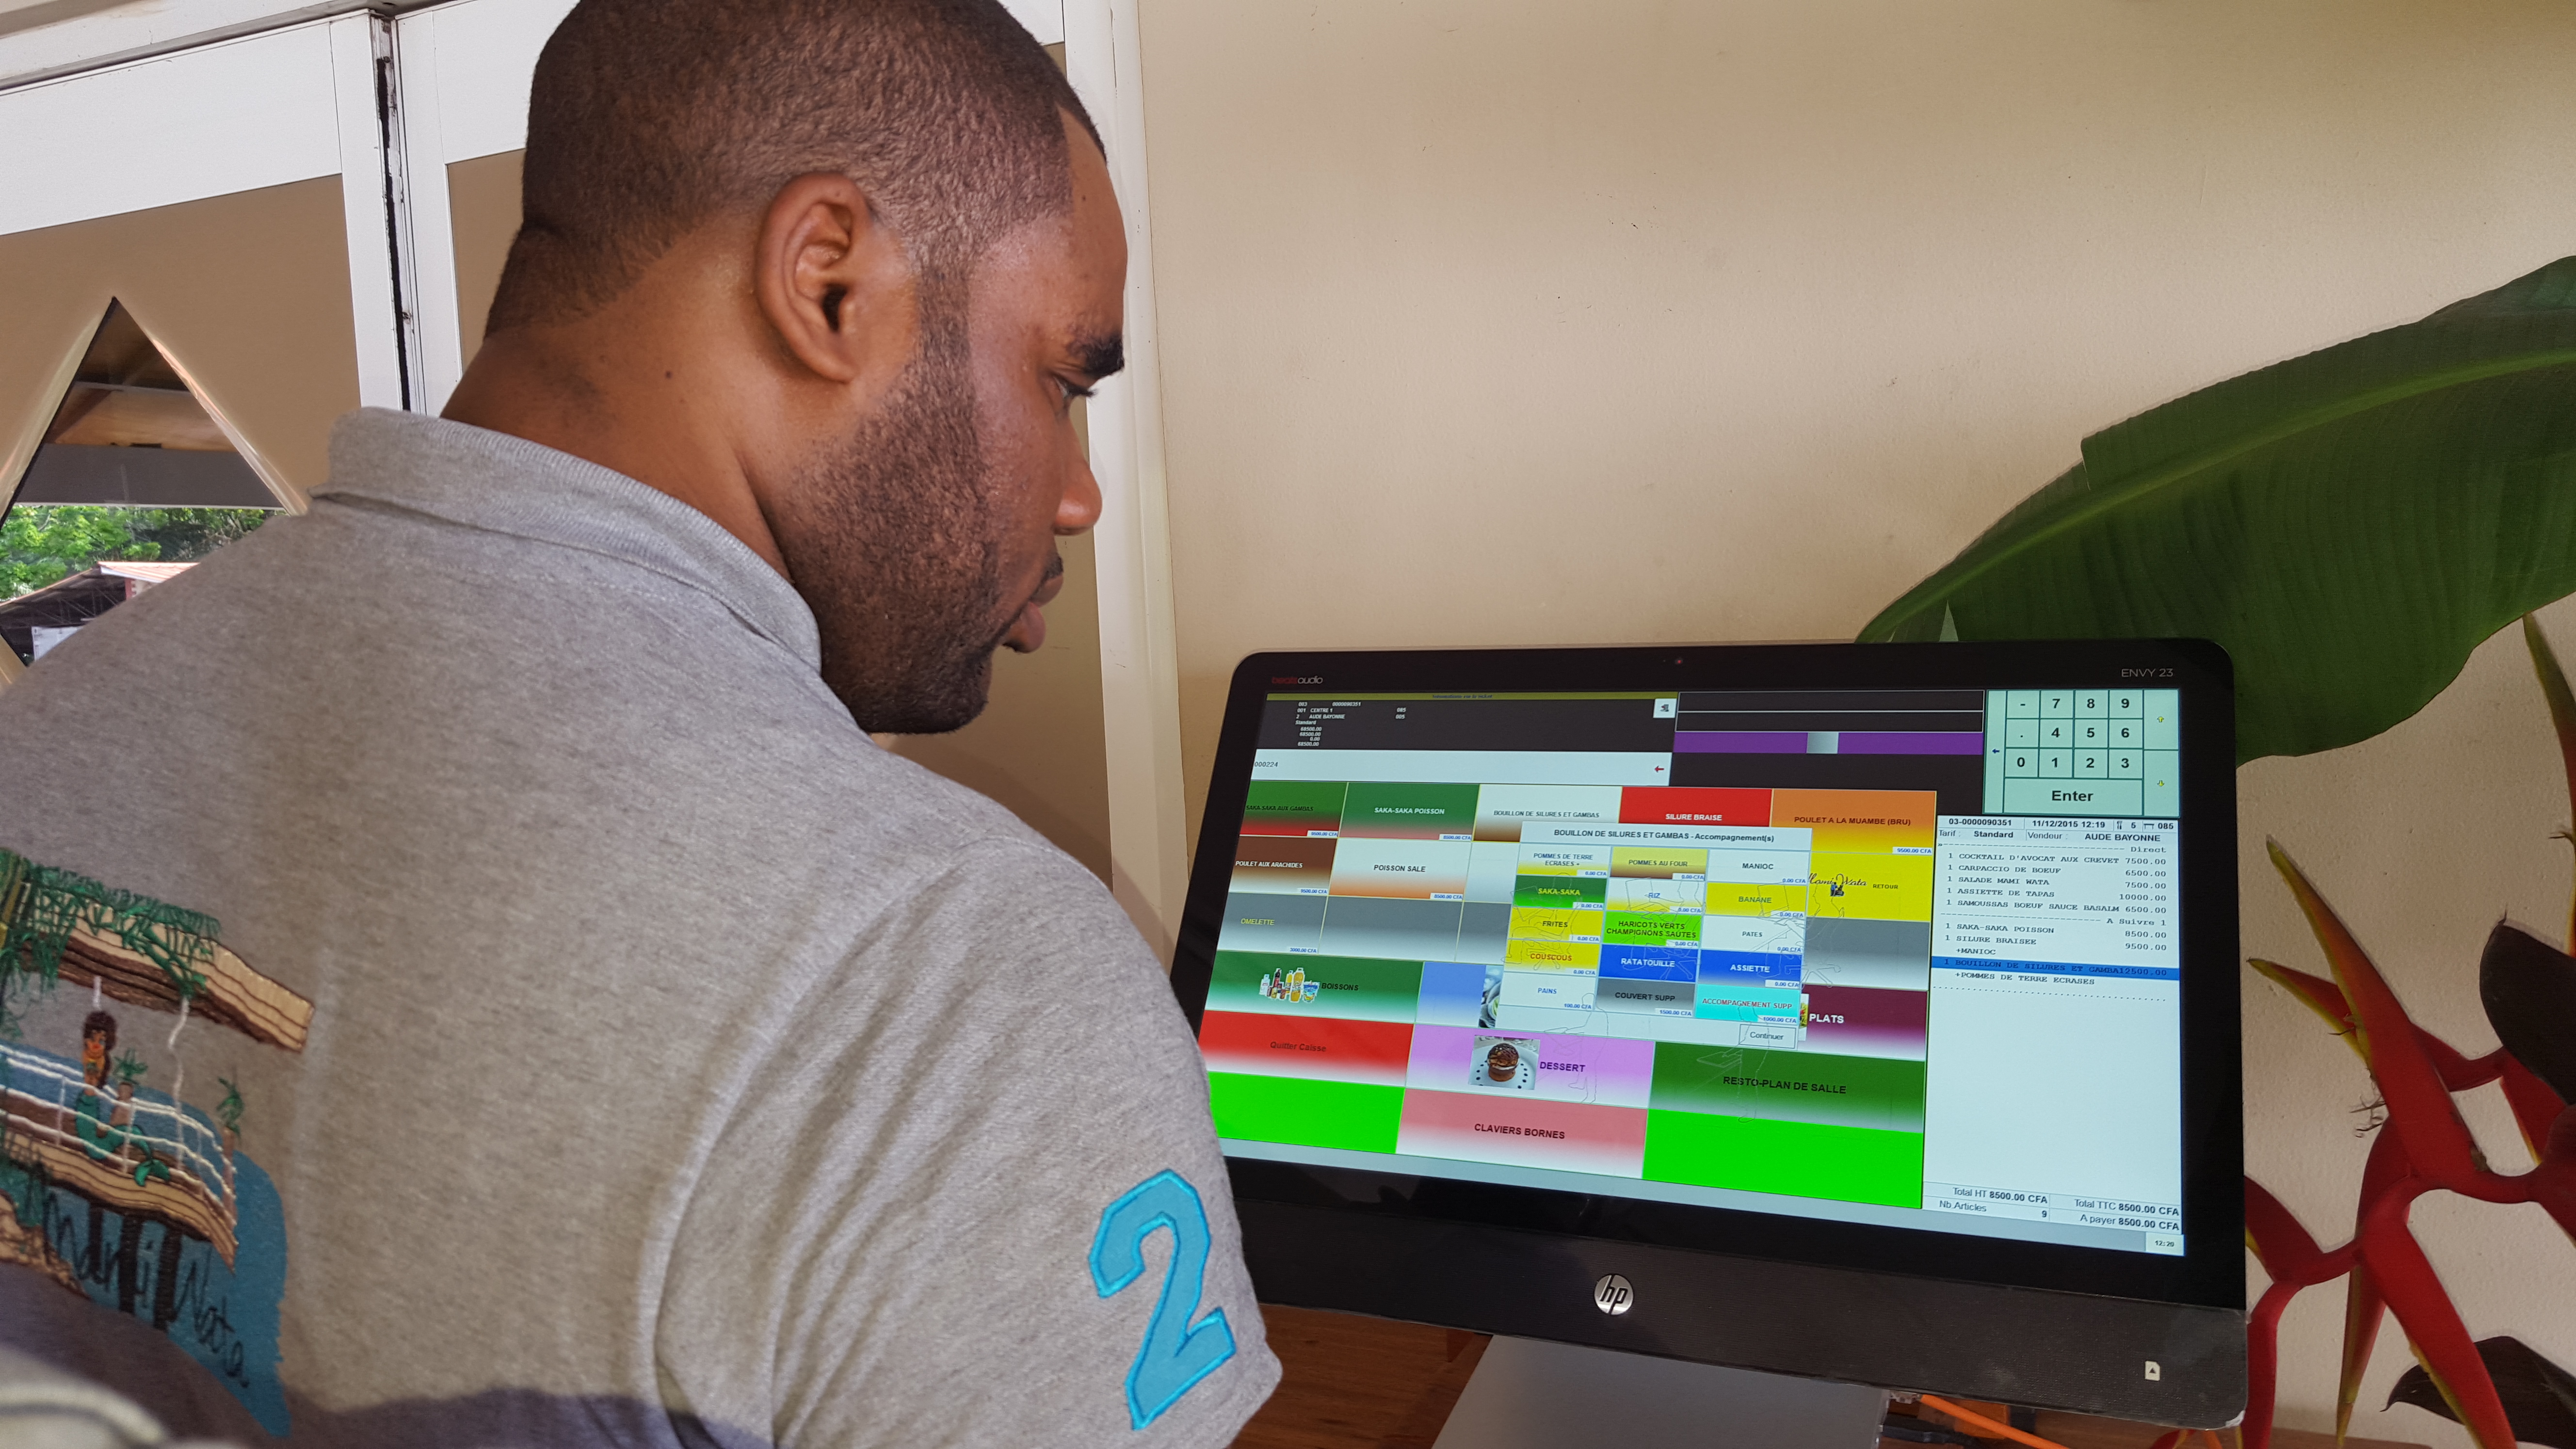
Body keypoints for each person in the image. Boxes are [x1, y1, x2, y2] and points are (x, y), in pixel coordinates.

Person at [0, 0, 1278, 1443]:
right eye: (1061, 379)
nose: (1079, 492)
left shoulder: (53, 728)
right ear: (827, 284)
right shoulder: (945, 963)